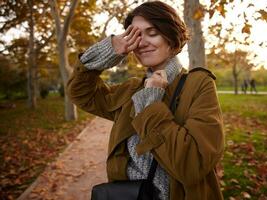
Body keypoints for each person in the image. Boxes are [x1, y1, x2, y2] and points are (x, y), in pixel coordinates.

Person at [67, 1, 224, 199]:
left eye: (153, 33)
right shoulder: (131, 89)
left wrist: (151, 104)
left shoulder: (199, 84)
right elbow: (81, 93)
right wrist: (108, 51)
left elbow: (192, 165)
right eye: (136, 35)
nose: (142, 42)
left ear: (172, 38)